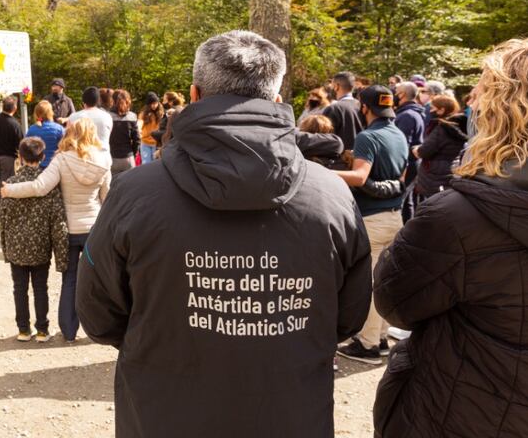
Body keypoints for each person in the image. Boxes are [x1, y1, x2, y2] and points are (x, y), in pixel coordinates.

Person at [76, 30, 371, 438]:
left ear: (194, 95)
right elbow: (348, 316)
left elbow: (98, 314)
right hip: (290, 414)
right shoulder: (331, 194)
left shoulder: (135, 193)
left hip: (165, 414)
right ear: (278, 101)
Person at [372, 38, 528, 437]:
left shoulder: (458, 218)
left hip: (461, 409)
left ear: (503, 111)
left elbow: (395, 302)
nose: (471, 101)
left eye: (481, 91)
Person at [1, 118, 111, 342]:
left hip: (68, 230)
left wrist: (10, 189)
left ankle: (69, 331)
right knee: (97, 281)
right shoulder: (103, 160)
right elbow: (106, 197)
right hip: (93, 229)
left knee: (69, 279)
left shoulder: (61, 160)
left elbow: (39, 187)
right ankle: (102, 328)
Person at [334, 85, 409, 365]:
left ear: (364, 108)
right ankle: (379, 338)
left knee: (370, 283)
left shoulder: (368, 137)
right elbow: (401, 175)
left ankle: (366, 345)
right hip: (395, 216)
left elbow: (360, 177)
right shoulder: (399, 134)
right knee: (385, 279)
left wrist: (317, 172)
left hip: (372, 219)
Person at [0, 137, 69, 343]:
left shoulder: (9, 184)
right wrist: (60, 253)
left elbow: (2, 218)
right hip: (40, 245)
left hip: (16, 246)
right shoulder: (48, 185)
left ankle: (23, 329)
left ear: (20, 157)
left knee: (19, 288)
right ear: (43, 157)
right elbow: (57, 219)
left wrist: (5, 246)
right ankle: (43, 330)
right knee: (40, 287)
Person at [413, 95, 467, 201]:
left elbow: (424, 151)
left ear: (442, 110)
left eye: (432, 108)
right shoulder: (460, 125)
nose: (430, 110)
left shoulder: (442, 128)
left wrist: (416, 149)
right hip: (450, 171)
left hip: (435, 176)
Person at [394, 81, 426, 222]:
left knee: (400, 201)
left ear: (402, 94)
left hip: (407, 164)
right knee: (408, 201)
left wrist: (401, 169)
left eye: (396, 92)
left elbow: (402, 145)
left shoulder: (407, 115)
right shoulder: (414, 113)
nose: (394, 95)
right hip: (413, 163)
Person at [322, 71, 364, 151]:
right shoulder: (363, 106)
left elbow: (324, 139)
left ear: (336, 86)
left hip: (339, 159)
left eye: (332, 86)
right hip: (361, 157)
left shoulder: (333, 109)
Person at [67, 86, 113, 156]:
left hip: (79, 156)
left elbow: (68, 138)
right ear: (98, 100)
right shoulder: (107, 117)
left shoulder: (73, 117)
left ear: (83, 100)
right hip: (103, 157)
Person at [108, 89, 140, 177]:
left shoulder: (107, 116)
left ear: (112, 100)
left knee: (112, 187)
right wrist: (133, 153)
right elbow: (137, 139)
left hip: (112, 157)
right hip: (128, 158)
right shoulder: (132, 116)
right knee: (130, 187)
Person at [24, 100, 64, 169]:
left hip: (37, 167)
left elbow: (25, 147)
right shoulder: (59, 129)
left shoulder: (32, 129)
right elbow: (65, 147)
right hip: (55, 166)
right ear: (50, 112)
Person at [138, 92, 164, 164]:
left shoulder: (161, 113)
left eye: (155, 103)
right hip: (145, 142)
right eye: (152, 103)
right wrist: (139, 131)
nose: (154, 105)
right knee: (146, 163)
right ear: (148, 104)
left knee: (156, 164)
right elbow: (139, 123)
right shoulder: (144, 114)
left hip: (157, 143)